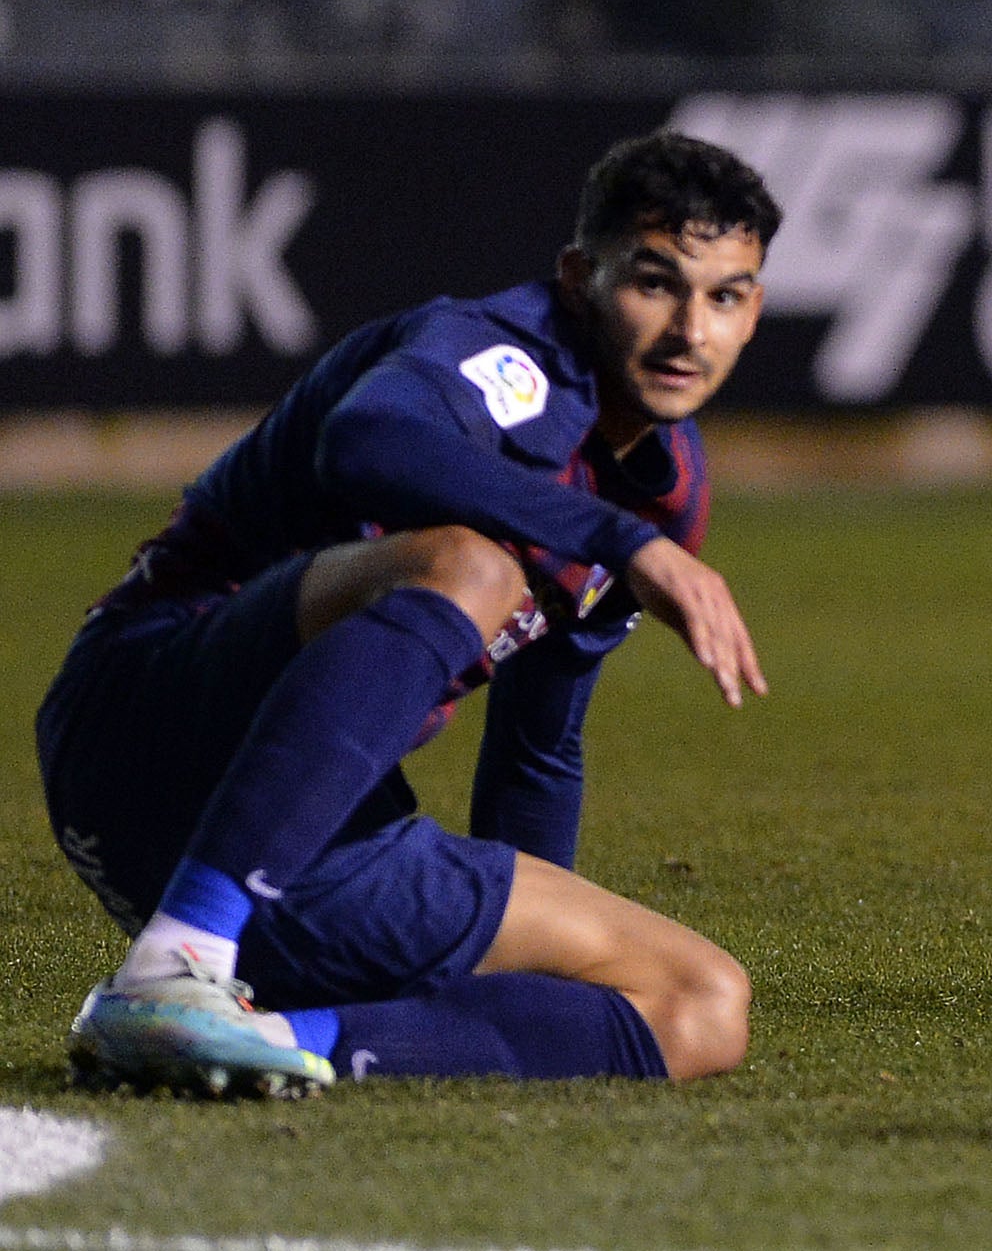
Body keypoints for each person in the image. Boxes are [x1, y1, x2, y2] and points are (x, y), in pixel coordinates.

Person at [43, 132, 781, 1096]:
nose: (691, 329)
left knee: (700, 1002)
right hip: (145, 714)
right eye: (654, 282)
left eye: (725, 296)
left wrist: (517, 971)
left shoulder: (663, 498)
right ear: (579, 277)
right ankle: (175, 963)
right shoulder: (496, 351)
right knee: (474, 568)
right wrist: (621, 542)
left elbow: (536, 749)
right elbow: (369, 437)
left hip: (301, 841)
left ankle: (254, 1033)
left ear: (755, 309)